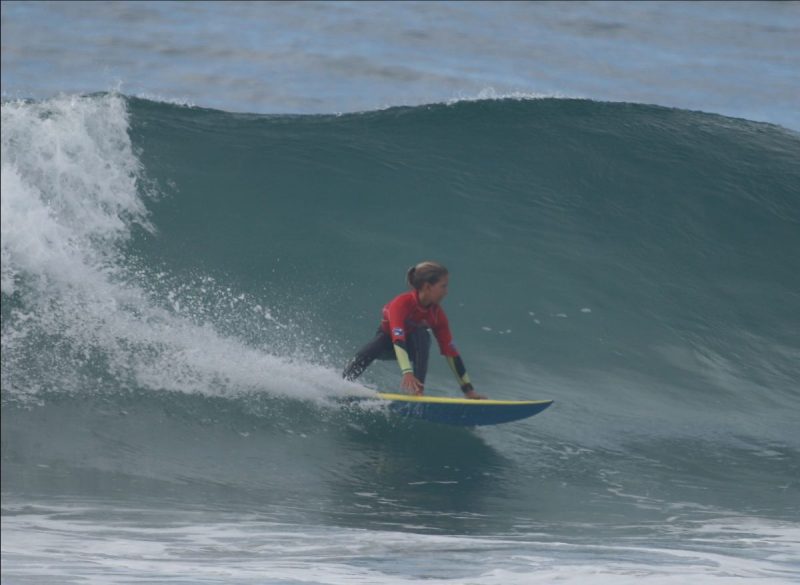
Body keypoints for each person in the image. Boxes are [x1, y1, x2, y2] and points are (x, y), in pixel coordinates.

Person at [343, 261, 486, 399]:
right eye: (443, 286)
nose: (446, 292)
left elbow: (451, 352)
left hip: (412, 348)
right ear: (427, 286)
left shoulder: (437, 315)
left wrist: (468, 390)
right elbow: (397, 339)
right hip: (386, 344)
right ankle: (344, 383)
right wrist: (407, 372)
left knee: (422, 335)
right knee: (378, 343)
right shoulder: (401, 303)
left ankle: (418, 392)